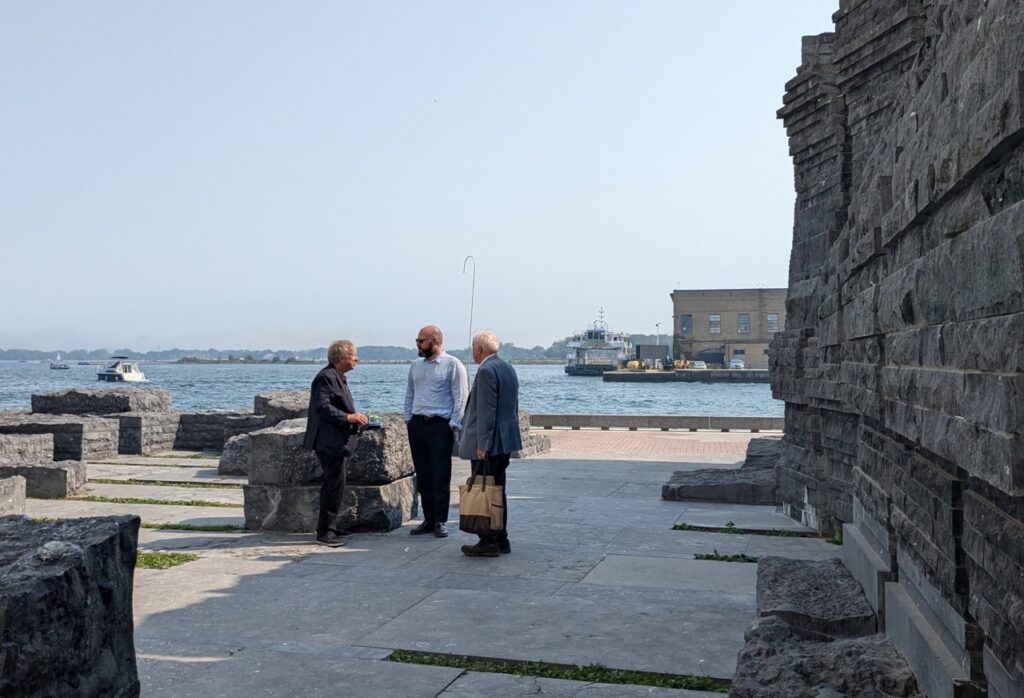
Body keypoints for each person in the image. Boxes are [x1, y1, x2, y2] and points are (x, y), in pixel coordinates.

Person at [459, 329, 522, 557]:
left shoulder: (486, 371)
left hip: (489, 443)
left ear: (478, 349)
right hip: (504, 441)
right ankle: (501, 538)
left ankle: (488, 540)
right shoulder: (507, 368)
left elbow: (487, 411)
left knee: (486, 490)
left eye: (472, 350)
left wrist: (483, 444)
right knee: (498, 490)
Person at [404, 325, 469, 538]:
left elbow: (461, 396)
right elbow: (410, 394)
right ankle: (428, 518)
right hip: (418, 424)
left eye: (420, 341)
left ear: (434, 341)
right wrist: (408, 419)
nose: (417, 345)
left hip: (440, 425)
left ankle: (440, 520)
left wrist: (454, 424)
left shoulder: (453, 365)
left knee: (440, 474)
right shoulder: (416, 366)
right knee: (423, 474)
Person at [303, 339, 368, 547]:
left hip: (337, 442)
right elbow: (322, 407)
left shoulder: (337, 377)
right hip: (329, 442)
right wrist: (349, 418)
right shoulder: (325, 377)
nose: (356, 359)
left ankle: (331, 526)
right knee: (332, 486)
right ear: (342, 358)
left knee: (337, 486)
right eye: (353, 355)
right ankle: (324, 531)